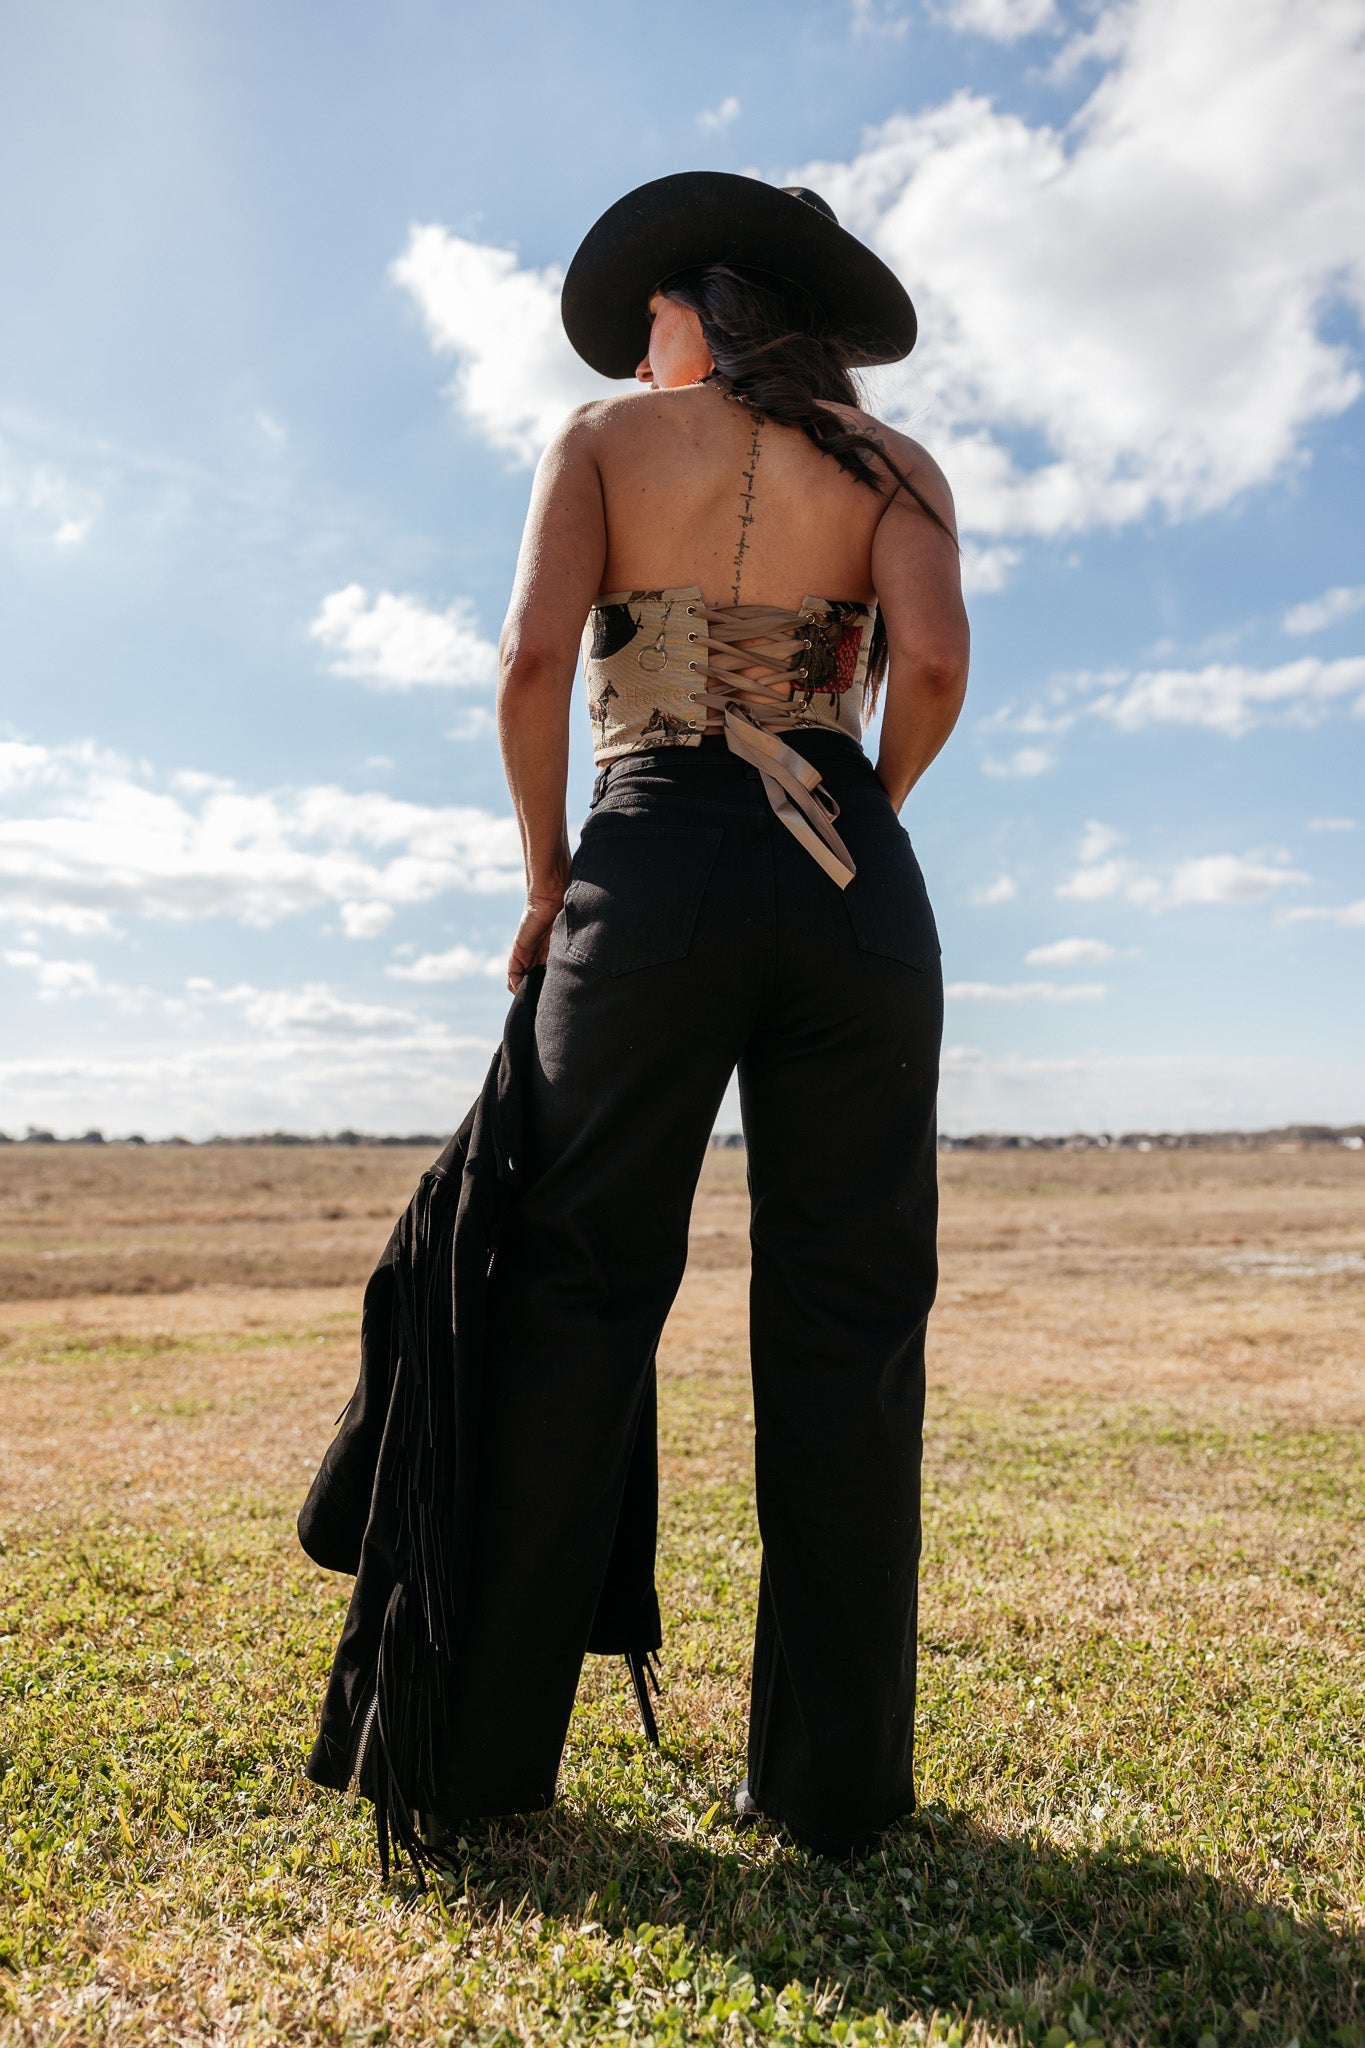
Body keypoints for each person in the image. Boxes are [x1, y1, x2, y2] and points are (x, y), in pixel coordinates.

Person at [431, 173, 968, 1858]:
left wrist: (546, 881)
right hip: (846, 882)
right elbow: (936, 669)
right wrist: (849, 812)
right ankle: (830, 1790)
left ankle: (479, 1760)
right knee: (849, 1315)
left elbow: (532, 663)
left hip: (646, 854)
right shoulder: (895, 471)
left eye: (647, 311)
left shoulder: (601, 438)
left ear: (697, 306)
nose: (636, 340)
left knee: (571, 1286)